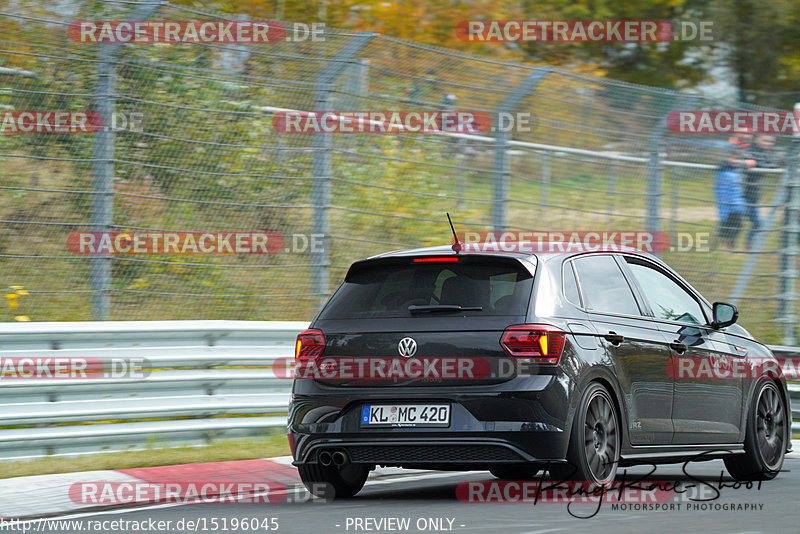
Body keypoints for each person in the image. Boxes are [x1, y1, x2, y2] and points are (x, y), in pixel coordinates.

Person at [715, 131, 756, 249]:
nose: (735, 160)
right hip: (727, 198)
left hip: (736, 199)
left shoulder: (743, 155)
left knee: (737, 223)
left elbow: (752, 162)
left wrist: (740, 162)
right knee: (730, 220)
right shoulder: (724, 166)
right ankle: (727, 241)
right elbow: (730, 159)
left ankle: (728, 240)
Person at [742, 134, 777, 248]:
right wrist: (762, 166)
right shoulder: (748, 150)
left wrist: (762, 165)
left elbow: (772, 166)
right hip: (743, 193)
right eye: (765, 140)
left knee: (757, 223)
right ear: (757, 139)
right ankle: (745, 244)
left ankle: (748, 244)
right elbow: (753, 163)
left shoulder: (767, 154)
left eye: (771, 142)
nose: (768, 144)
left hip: (754, 194)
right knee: (750, 222)